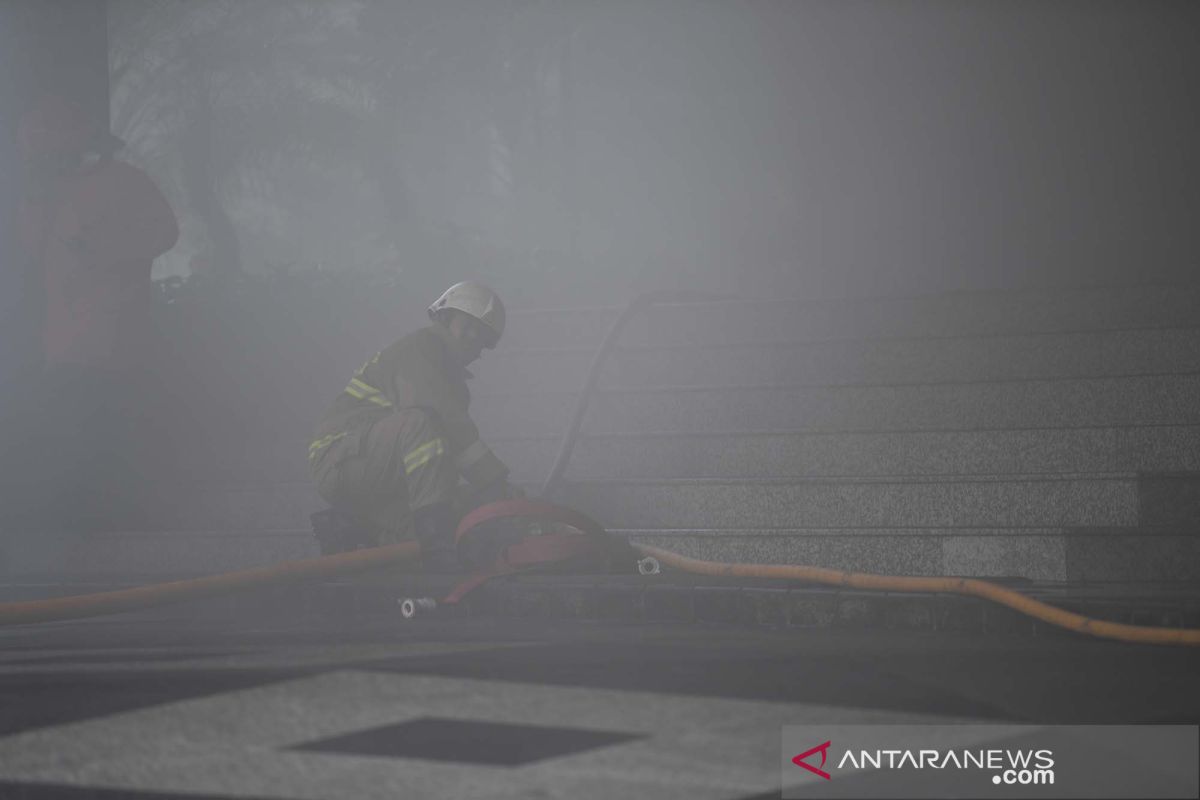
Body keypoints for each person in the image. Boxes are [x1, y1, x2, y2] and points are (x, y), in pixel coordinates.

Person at [4, 96, 179, 533]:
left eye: (52, 150)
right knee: (67, 430)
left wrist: (106, 253)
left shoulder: (126, 181)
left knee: (106, 424)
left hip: (113, 333)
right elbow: (31, 249)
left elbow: (165, 232)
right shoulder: (49, 193)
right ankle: (77, 516)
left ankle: (117, 514)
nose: (47, 160)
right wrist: (35, 201)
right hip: (62, 340)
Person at [308, 281, 519, 570]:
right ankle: (437, 546)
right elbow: (448, 424)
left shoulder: (453, 382)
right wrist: (493, 480)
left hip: (378, 470)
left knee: (431, 532)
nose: (473, 337)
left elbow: (443, 457)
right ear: (445, 317)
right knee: (422, 425)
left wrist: (489, 497)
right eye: (467, 324)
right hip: (339, 457)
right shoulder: (421, 349)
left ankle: (352, 530)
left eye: (481, 334)